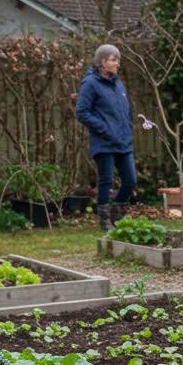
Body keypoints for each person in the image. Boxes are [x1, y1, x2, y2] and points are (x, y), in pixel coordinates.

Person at [75, 44, 135, 232]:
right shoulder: (90, 83)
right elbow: (82, 112)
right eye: (113, 59)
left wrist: (128, 124)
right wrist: (104, 128)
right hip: (104, 141)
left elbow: (125, 108)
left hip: (123, 141)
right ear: (102, 62)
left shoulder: (118, 82)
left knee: (130, 181)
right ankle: (104, 221)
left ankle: (116, 214)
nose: (117, 63)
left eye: (117, 59)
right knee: (106, 181)